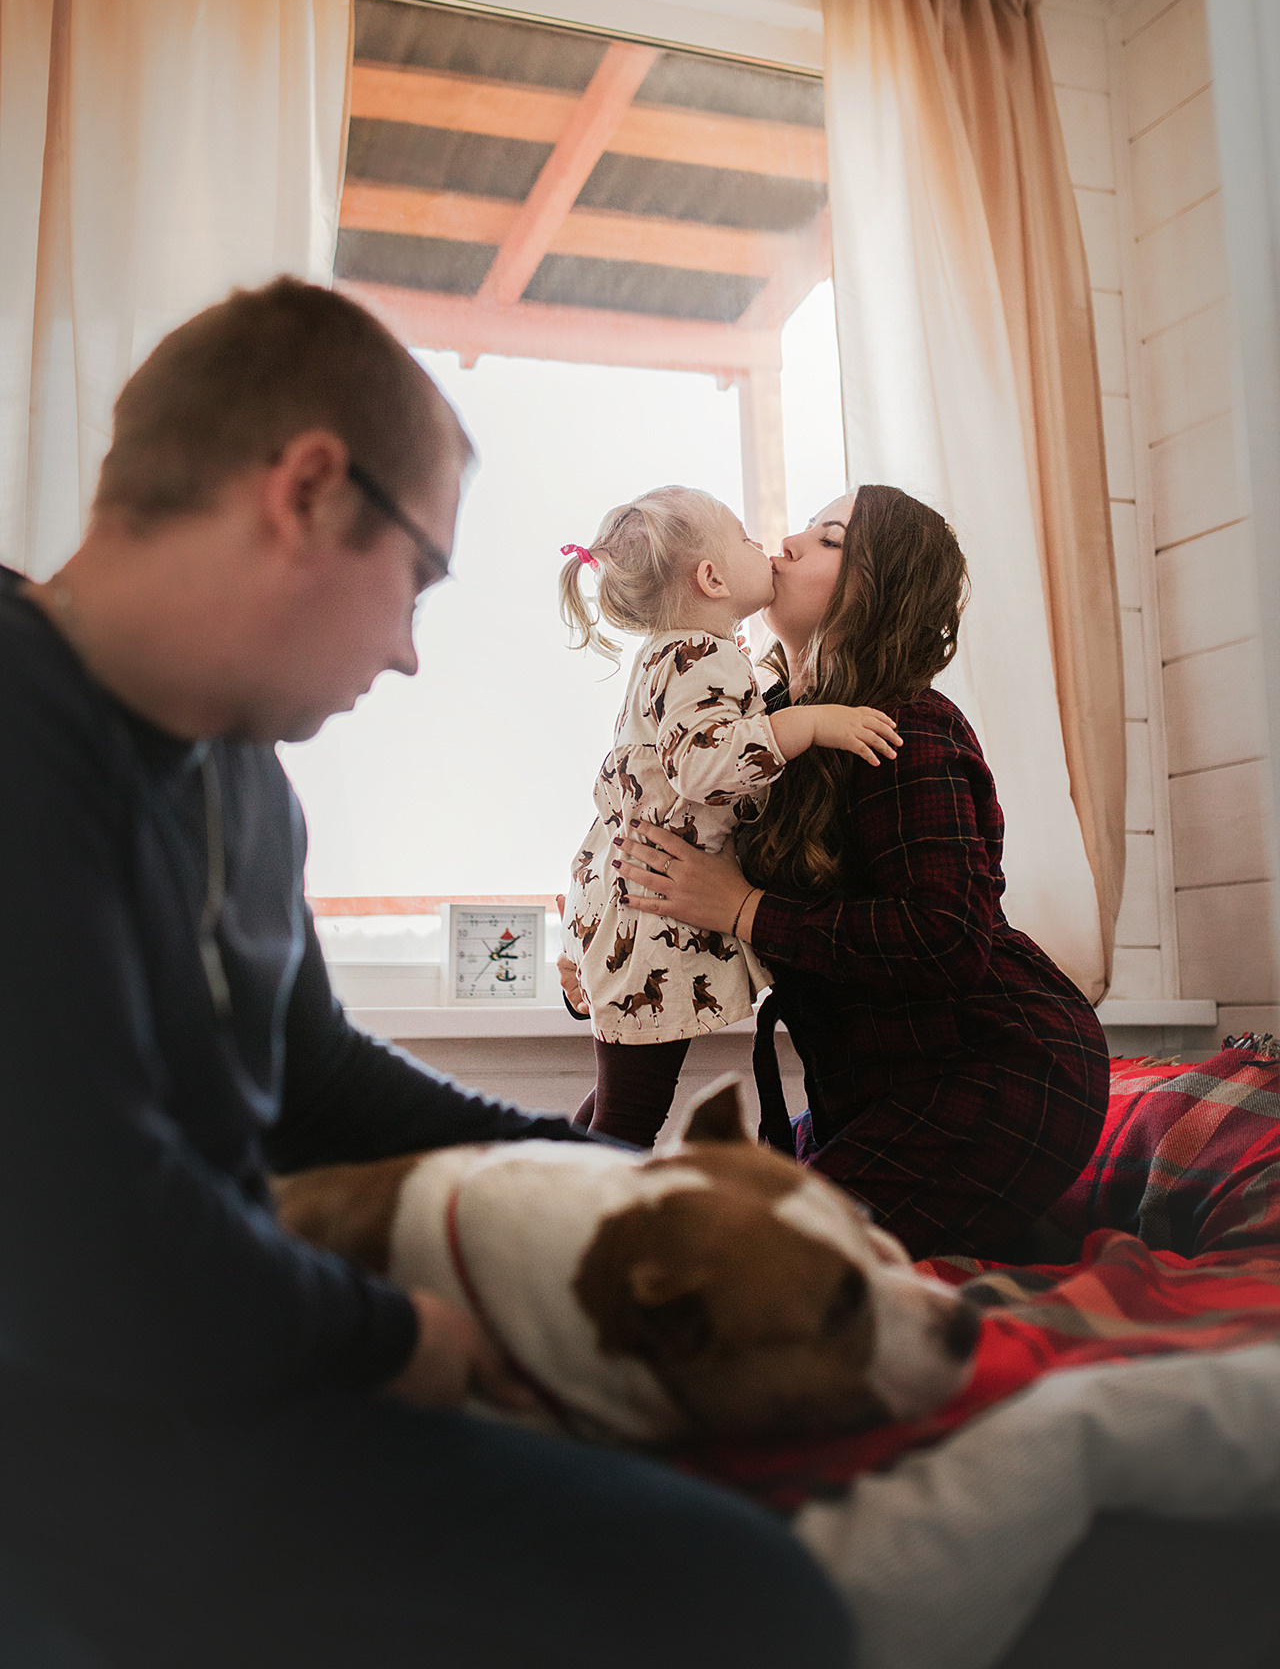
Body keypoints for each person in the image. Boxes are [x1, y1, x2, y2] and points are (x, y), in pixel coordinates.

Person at [0, 280, 853, 1669]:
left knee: (761, 1577)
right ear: (309, 493)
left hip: (225, 1402)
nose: (405, 651)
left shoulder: (244, 781)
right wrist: (404, 1337)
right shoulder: (25, 729)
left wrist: (620, 1178)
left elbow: (317, 1078)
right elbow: (82, 1241)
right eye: (417, 582)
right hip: (56, 1452)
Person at [613, 484, 1111, 1262]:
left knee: (749, 1262)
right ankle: (1014, 1235)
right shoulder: (769, 727)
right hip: (871, 1087)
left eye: (830, 537)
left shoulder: (908, 728)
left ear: (879, 588)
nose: (787, 544)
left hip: (1000, 1073)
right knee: (701, 1215)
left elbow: (946, 938)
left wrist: (746, 911)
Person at [558, 486, 900, 1147]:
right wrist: (810, 723)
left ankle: (551, 1191)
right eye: (747, 540)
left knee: (618, 1100)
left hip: (639, 908)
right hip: (656, 920)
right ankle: (567, 1225)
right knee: (630, 1112)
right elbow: (704, 768)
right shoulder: (699, 657)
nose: (768, 547)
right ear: (712, 578)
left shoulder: (683, 654)